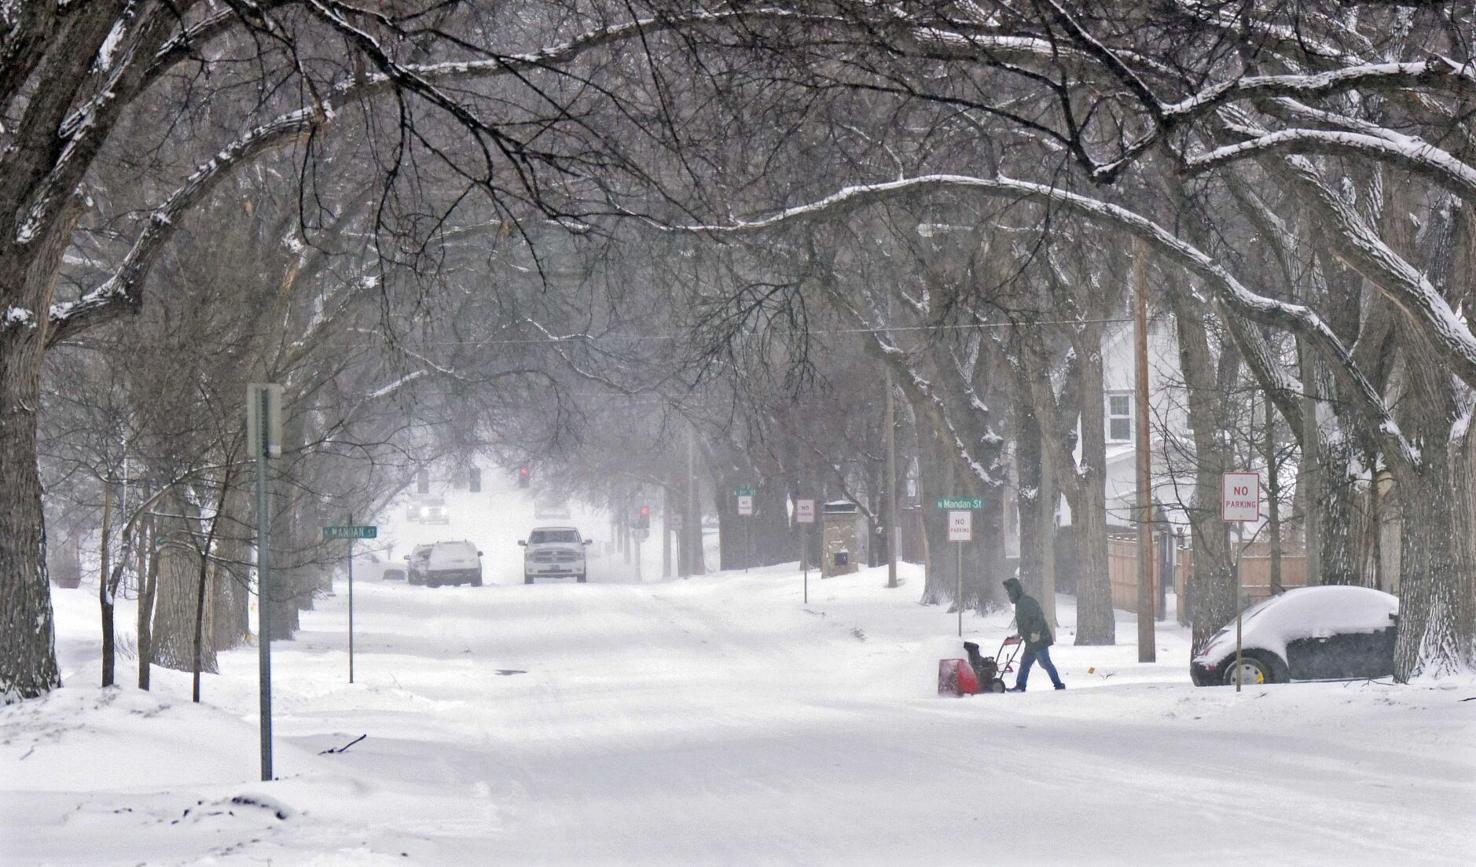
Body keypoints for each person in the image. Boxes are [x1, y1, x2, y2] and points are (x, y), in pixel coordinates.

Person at [1002, 578, 1065, 691]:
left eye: (1009, 593)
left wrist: (1036, 633)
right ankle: (1020, 686)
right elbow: (1024, 623)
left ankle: (1059, 685)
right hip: (1031, 641)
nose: (1008, 595)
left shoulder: (1026, 602)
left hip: (1039, 639)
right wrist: (1019, 634)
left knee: (1045, 663)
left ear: (1014, 591)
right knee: (1025, 662)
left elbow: (1038, 619)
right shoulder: (1019, 603)